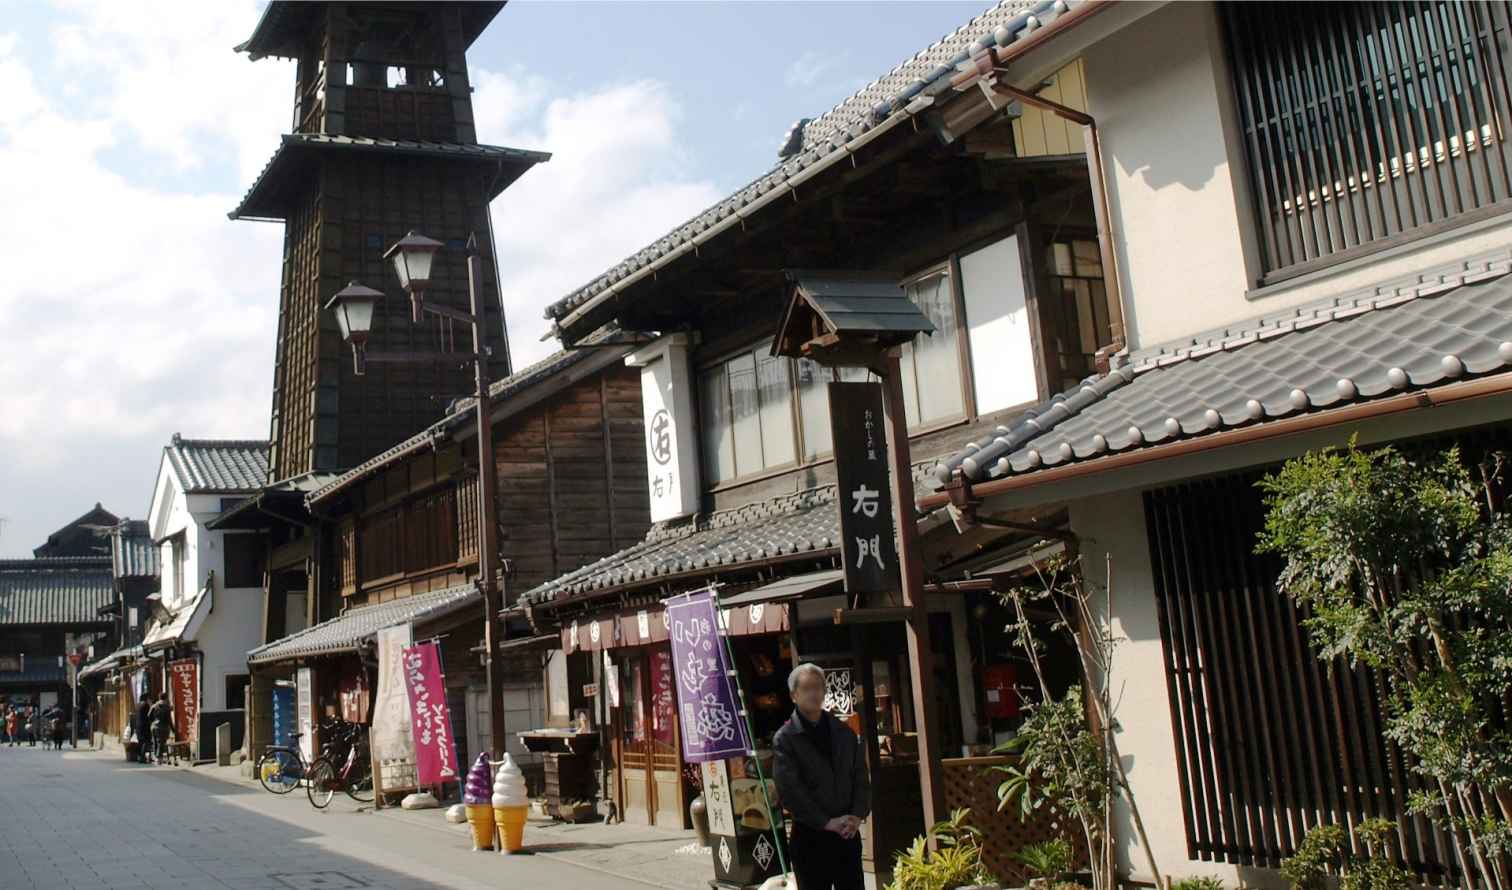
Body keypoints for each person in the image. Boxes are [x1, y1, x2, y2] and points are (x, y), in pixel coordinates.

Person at [773, 662, 871, 890]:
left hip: (847, 834)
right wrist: (826, 822)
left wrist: (857, 815)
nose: (814, 694)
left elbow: (860, 777)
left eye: (818, 687)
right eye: (807, 688)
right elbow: (791, 791)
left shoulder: (844, 732)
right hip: (811, 836)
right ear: (793, 695)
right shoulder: (786, 738)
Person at [148, 694, 175, 765]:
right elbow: (169, 720)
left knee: (155, 742)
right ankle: (159, 758)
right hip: (163, 727)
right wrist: (173, 729)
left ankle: (156, 757)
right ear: (166, 698)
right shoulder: (166, 707)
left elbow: (149, 716)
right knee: (161, 743)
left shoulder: (154, 706)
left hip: (154, 726)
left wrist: (153, 722)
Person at [134, 696, 152, 763]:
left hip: (138, 725)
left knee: (140, 741)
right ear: (147, 699)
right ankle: (142, 757)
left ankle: (139, 757)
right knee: (145, 741)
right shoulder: (146, 705)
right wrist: (151, 706)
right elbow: (149, 715)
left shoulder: (138, 705)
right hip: (145, 725)